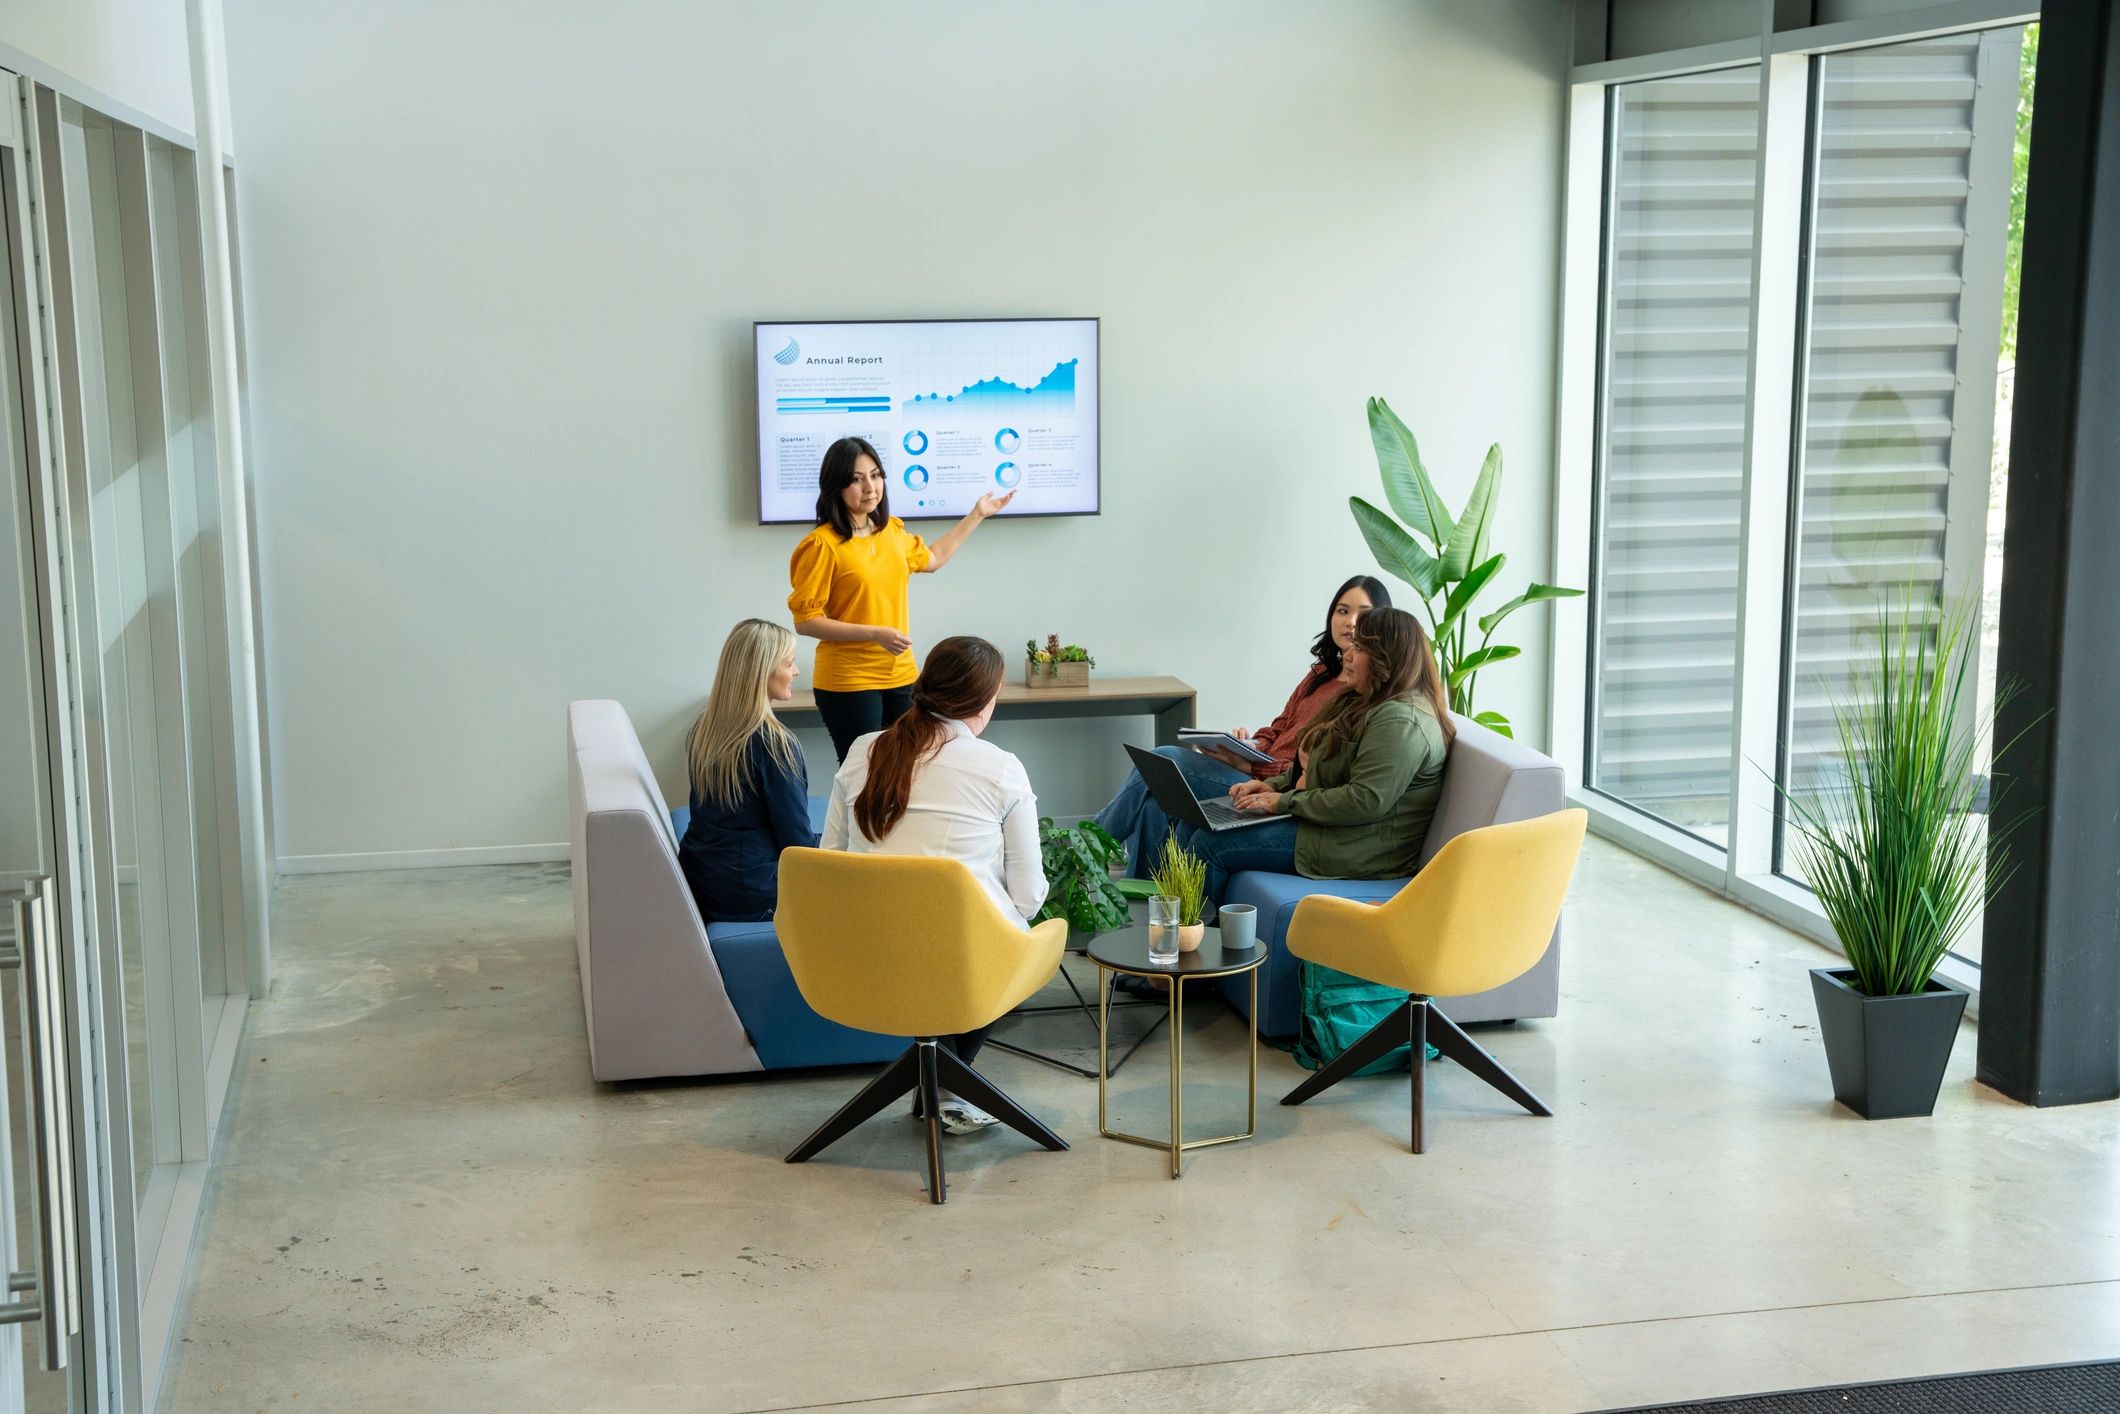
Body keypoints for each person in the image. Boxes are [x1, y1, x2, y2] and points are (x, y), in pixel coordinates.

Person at [823, 635, 1047, 1133]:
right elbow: (1029, 896)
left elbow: (829, 862)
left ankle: (943, 1083)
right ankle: (949, 1084)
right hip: (961, 964)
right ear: (985, 701)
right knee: (1002, 937)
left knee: (946, 945)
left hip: (861, 956)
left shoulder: (862, 749)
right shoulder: (1001, 768)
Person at [1093, 575, 1391, 873]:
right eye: (1342, 611)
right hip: (1255, 769)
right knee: (1156, 803)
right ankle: (1147, 905)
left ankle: (1088, 845)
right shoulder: (1321, 674)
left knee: (1164, 758)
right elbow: (1280, 726)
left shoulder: (1360, 692)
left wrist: (1252, 767)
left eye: (1363, 614)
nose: (1351, 622)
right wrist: (1250, 746)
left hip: (1274, 786)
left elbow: (1316, 770)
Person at [1174, 606, 1455, 908]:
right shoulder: (1366, 700)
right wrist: (1275, 786)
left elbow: (1364, 801)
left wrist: (1283, 802)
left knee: (1209, 845)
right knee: (1193, 823)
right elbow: (1325, 767)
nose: (1346, 653)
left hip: (1358, 848)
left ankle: (1201, 946)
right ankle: (1178, 934)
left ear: (1387, 658)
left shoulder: (1403, 722)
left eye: (1359, 647)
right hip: (1330, 829)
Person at [789, 436, 1014, 762]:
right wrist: (875, 633)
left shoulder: (891, 532)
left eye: (876, 475)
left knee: (908, 767)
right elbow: (806, 620)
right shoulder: (821, 545)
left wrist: (977, 514)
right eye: (856, 479)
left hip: (901, 675)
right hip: (848, 680)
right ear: (836, 485)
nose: (870, 487)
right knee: (863, 772)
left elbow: (933, 559)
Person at [676, 619, 817, 923]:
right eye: (790, 664)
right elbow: (797, 846)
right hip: (753, 895)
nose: (796, 672)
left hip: (707, 881)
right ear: (763, 672)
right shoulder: (774, 744)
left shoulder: (705, 730)